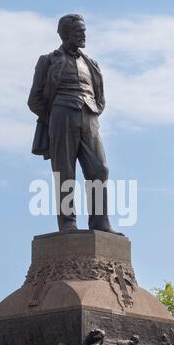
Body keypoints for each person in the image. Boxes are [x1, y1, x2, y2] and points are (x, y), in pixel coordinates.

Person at [28, 14, 117, 234]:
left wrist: (91, 113)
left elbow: (100, 98)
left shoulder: (92, 64)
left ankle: (100, 222)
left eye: (84, 30)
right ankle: (67, 222)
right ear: (65, 33)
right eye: (79, 31)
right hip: (61, 115)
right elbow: (34, 100)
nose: (83, 34)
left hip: (89, 118)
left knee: (99, 169)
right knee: (65, 172)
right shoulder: (48, 60)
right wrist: (55, 116)